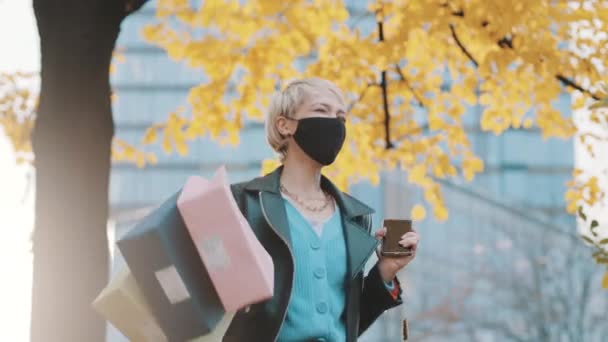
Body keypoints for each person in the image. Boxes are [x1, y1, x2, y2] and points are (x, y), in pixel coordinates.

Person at [224, 77, 420, 342]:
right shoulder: (244, 202)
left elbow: (349, 321)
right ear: (285, 125)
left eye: (341, 117)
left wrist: (385, 270)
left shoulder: (355, 217)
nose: (334, 123)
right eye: (321, 110)